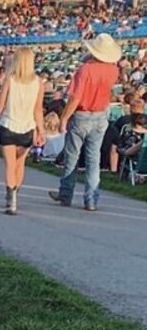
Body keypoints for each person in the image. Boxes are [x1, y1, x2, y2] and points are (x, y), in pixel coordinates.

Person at [49, 33, 122, 212]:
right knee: (93, 159)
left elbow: (75, 97)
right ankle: (91, 199)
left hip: (82, 114)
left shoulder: (85, 70)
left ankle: (66, 194)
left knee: (72, 157)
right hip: (100, 115)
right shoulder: (113, 70)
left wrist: (64, 118)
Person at [0, 47, 44, 215]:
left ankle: (11, 200)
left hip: (9, 124)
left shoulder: (10, 79)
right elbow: (38, 109)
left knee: (9, 165)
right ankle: (16, 194)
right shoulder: (38, 82)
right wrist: (41, 130)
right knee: (19, 164)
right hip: (27, 126)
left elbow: (1, 104)